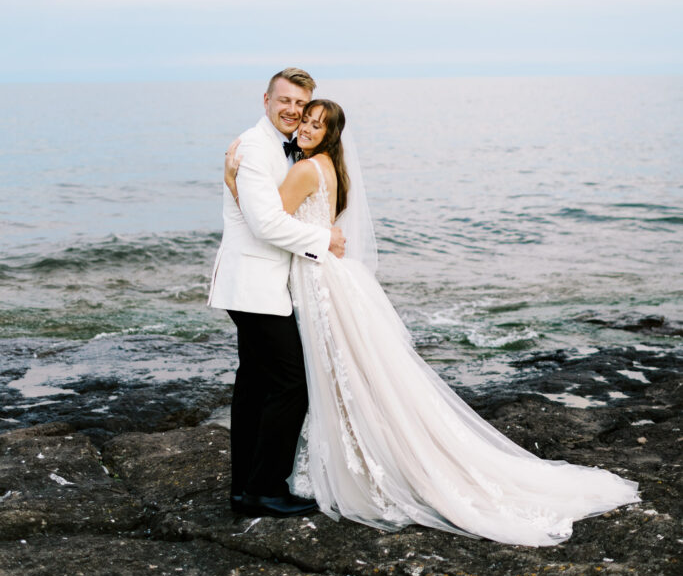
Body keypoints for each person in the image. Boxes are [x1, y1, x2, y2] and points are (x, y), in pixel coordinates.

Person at [224, 98, 640, 546]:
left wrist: (233, 180)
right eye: (305, 119)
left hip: (316, 279)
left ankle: (342, 463)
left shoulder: (306, 169)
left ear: (330, 133)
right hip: (328, 274)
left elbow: (263, 221)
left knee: (331, 375)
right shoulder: (332, 169)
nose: (306, 126)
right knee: (345, 374)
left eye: (316, 123)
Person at [208, 69, 345, 518]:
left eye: (301, 106)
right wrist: (324, 239)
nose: (292, 111)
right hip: (253, 285)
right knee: (292, 383)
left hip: (261, 283)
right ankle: (265, 489)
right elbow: (266, 224)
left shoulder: (287, 149)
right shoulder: (252, 147)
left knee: (254, 384)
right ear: (266, 99)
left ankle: (245, 488)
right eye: (284, 101)